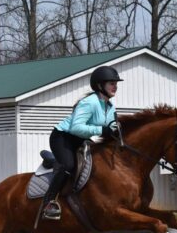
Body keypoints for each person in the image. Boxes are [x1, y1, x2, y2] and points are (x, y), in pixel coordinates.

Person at [40, 66, 122, 220]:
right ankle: (49, 203)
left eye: (116, 83)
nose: (115, 86)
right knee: (69, 166)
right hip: (63, 137)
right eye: (111, 83)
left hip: (80, 138)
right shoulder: (89, 102)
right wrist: (102, 130)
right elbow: (76, 127)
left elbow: (110, 129)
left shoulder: (110, 107)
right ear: (100, 85)